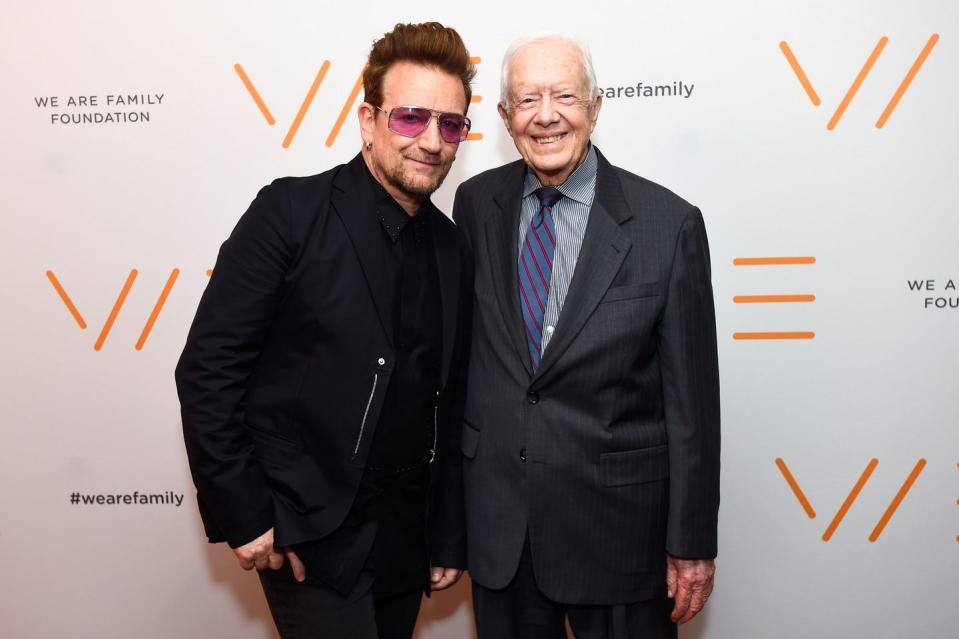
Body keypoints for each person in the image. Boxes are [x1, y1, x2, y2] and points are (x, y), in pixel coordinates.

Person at [174, 22, 475, 639]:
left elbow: (452, 405)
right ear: (368, 121)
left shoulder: (452, 247)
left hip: (404, 541)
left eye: (450, 125)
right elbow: (208, 368)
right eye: (411, 117)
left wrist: (447, 533)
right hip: (307, 534)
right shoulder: (290, 212)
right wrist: (245, 510)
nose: (432, 141)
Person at [452, 33, 720, 639]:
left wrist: (692, 542)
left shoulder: (668, 223)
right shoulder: (474, 205)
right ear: (503, 117)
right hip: (503, 534)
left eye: (564, 96)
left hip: (620, 535)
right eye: (526, 100)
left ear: (596, 107)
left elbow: (693, 407)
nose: (545, 115)